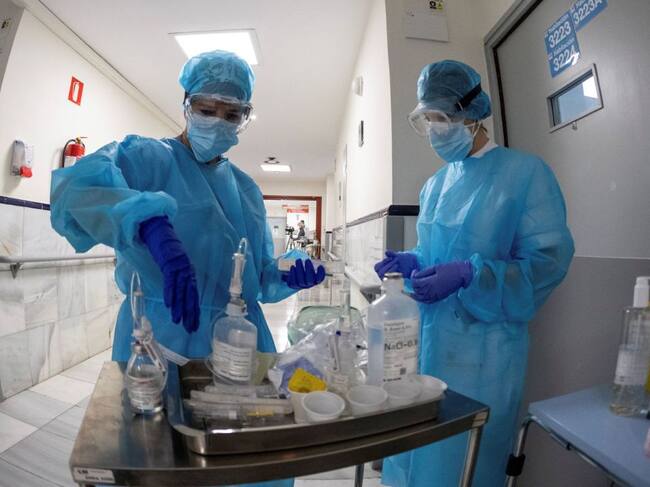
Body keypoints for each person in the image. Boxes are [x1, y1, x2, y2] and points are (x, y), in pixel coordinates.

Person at [50, 50, 324, 487]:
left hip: (238, 343)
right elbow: (76, 189)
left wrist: (289, 273)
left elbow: (258, 277)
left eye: (231, 114)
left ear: (245, 118)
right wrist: (148, 222)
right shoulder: (147, 158)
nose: (217, 122)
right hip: (157, 335)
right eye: (206, 109)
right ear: (186, 104)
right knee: (157, 458)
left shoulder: (245, 189)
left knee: (240, 464)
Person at [374, 60, 574, 487]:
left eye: (441, 117)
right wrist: (412, 263)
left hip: (485, 358)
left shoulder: (524, 174)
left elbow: (547, 264)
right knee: (414, 456)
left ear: (472, 113)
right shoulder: (435, 185)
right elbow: (436, 255)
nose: (434, 129)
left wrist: (472, 274)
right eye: (427, 119)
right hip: (427, 347)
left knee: (460, 464)